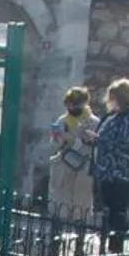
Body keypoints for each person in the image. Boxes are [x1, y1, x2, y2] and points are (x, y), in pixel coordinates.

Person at [90, 78, 129, 253]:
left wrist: (100, 140)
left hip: (121, 170)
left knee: (117, 210)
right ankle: (109, 245)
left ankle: (115, 247)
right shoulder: (114, 116)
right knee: (108, 209)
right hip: (107, 169)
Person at [46, 86, 99, 224]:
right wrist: (58, 138)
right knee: (59, 203)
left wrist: (85, 139)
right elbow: (54, 145)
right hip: (63, 165)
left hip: (83, 167)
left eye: (74, 104)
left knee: (81, 204)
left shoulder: (94, 123)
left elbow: (97, 145)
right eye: (68, 104)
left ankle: (80, 233)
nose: (70, 108)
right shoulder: (62, 120)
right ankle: (57, 232)